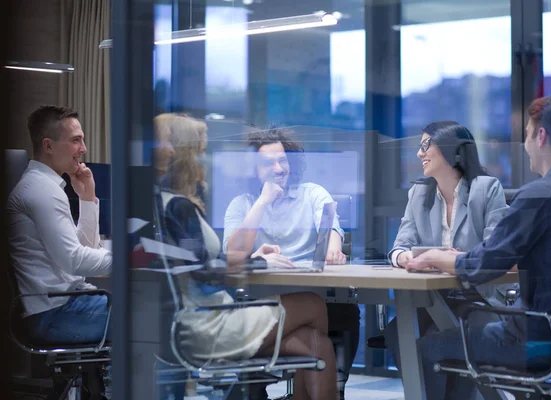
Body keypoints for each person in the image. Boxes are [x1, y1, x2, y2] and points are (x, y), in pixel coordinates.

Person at [406, 95, 551, 399]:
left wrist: (439, 257)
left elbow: (487, 265)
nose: (526, 144)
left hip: (534, 339)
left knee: (426, 347)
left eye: (527, 135)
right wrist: (464, 257)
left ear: (540, 136)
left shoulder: (539, 196)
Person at [155, 114, 339, 400]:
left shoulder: (165, 202)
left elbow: (203, 261)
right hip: (205, 324)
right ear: (186, 157)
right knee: (314, 305)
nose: (205, 161)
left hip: (203, 316)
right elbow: (205, 268)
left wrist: (251, 258)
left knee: (318, 345)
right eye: (201, 153)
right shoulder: (179, 207)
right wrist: (259, 260)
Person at [222, 127, 360, 399]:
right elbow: (233, 253)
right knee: (318, 345)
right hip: (262, 309)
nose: (278, 168)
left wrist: (333, 249)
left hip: (314, 302)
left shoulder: (312, 193)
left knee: (331, 326)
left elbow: (331, 227)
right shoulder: (242, 204)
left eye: (283, 160)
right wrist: (263, 201)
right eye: (267, 163)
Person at [383, 121, 513, 369]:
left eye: (425, 145)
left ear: (451, 149)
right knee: (397, 332)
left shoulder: (486, 188)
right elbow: (399, 245)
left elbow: (496, 251)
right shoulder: (418, 194)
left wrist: (453, 259)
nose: (419, 153)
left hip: (477, 296)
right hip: (435, 296)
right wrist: (404, 258)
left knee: (435, 339)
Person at [7, 105, 112, 345]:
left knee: (141, 312)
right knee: (146, 317)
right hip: (54, 313)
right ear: (48, 146)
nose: (83, 149)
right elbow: (75, 261)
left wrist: (87, 198)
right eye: (76, 141)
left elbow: (84, 251)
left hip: (64, 305)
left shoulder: (45, 186)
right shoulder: (41, 190)